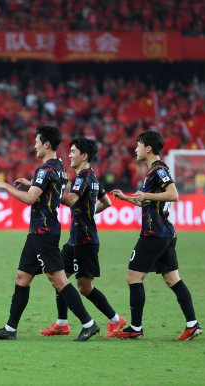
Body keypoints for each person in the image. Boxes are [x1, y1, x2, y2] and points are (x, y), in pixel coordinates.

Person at [0, 125, 100, 342]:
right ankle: (10, 328)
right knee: (22, 277)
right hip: (38, 231)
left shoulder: (46, 169)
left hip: (44, 231)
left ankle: (88, 323)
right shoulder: (59, 168)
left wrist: (4, 186)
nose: (34, 145)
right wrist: (31, 184)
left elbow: (30, 199)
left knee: (58, 280)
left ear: (46, 144)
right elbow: (54, 193)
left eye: (37, 141)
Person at [110, 130, 202, 341]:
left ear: (148, 148)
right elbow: (146, 201)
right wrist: (126, 198)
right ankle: (192, 324)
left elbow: (173, 194)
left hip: (154, 233)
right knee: (172, 280)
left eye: (138, 145)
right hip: (165, 234)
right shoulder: (154, 170)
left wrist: (147, 195)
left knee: (134, 277)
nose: (135, 149)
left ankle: (135, 328)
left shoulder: (158, 170)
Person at [39, 137, 127, 339]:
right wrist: (89, 212)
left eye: (73, 151)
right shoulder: (92, 176)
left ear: (84, 156)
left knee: (84, 288)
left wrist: (48, 188)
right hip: (74, 240)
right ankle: (62, 323)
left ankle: (115, 320)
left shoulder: (83, 177)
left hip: (85, 241)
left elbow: (70, 200)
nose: (69, 155)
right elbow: (107, 202)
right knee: (58, 277)